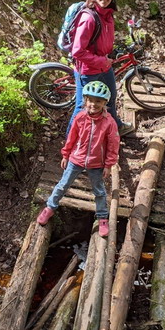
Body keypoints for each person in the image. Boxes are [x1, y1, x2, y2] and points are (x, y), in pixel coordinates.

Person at [37, 81, 120, 236]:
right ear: (85, 100)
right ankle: (50, 207)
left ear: (104, 103)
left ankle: (102, 217)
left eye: (98, 101)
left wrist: (108, 165)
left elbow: (113, 145)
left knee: (99, 191)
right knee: (63, 184)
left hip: (96, 162)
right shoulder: (80, 117)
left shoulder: (109, 122)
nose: (93, 104)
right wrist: (66, 154)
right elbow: (72, 137)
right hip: (76, 158)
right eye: (90, 100)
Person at [67, 0, 135, 137]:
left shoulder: (108, 14)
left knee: (110, 97)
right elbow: (77, 51)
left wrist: (110, 53)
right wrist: (101, 61)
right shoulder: (89, 18)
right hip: (88, 70)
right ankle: (70, 140)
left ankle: (115, 127)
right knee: (82, 107)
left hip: (104, 66)